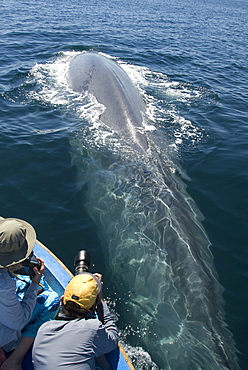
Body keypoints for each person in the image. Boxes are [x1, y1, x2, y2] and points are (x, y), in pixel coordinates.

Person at [0, 218, 60, 370]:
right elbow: (18, 322)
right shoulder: (4, 285)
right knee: (51, 301)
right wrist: (35, 284)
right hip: (7, 327)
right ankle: (14, 360)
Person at [32, 272, 119, 369]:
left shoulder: (44, 329)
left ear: (62, 299)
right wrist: (100, 301)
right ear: (91, 309)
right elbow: (113, 339)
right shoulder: (92, 328)